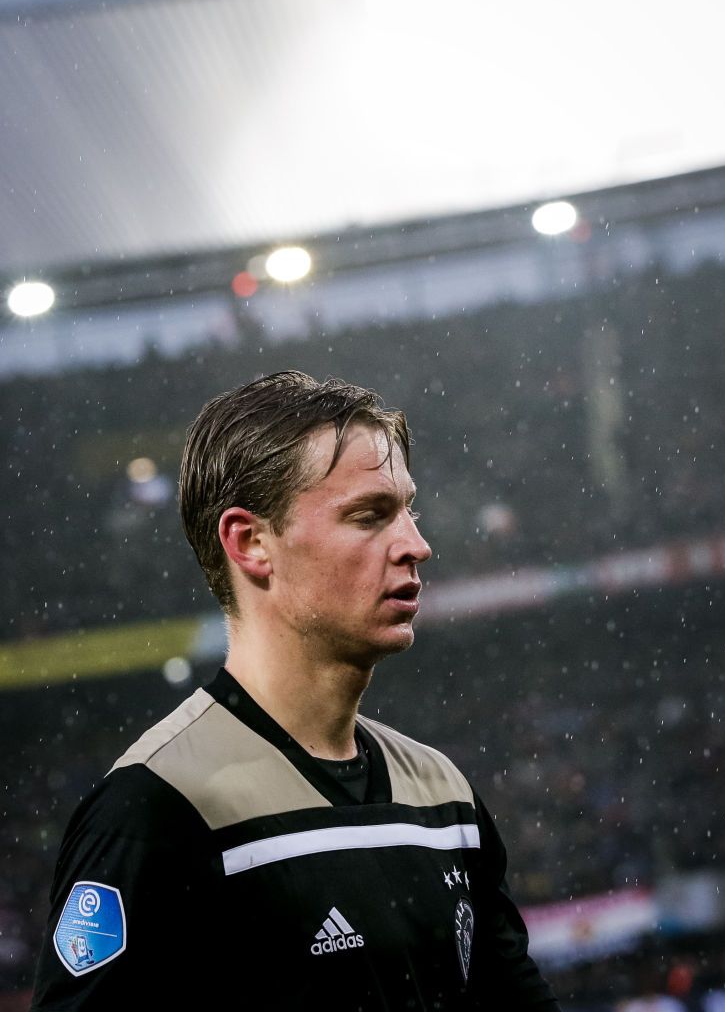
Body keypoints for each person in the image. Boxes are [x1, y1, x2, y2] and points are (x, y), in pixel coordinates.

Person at [31, 371, 560, 1010]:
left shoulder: (444, 795)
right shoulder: (158, 808)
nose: (416, 545)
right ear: (251, 543)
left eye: (409, 511)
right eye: (370, 516)